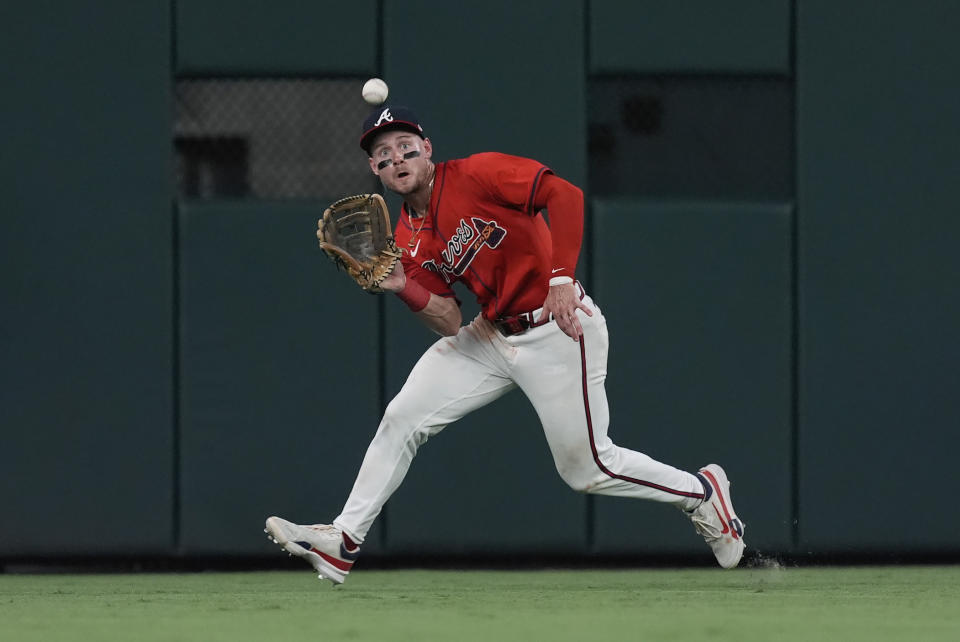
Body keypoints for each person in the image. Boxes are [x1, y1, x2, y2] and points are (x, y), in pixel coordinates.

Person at [265, 105, 745, 584]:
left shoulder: (478, 174)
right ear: (375, 170)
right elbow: (449, 319)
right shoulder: (406, 238)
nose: (397, 158)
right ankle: (342, 541)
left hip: (556, 326)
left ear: (427, 149)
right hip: (490, 334)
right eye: (383, 154)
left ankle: (701, 493)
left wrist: (561, 275)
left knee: (589, 469)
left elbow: (565, 194)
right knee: (402, 417)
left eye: (404, 146)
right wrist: (401, 286)